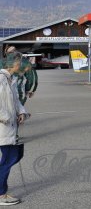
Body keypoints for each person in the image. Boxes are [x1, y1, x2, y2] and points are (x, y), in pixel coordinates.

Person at [0, 51, 30, 206]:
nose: (21, 65)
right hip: (3, 127)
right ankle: (1, 194)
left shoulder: (10, 79)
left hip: (12, 127)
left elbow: (16, 100)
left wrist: (22, 112)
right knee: (8, 159)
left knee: (16, 155)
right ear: (14, 64)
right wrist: (5, 117)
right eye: (19, 63)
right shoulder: (1, 78)